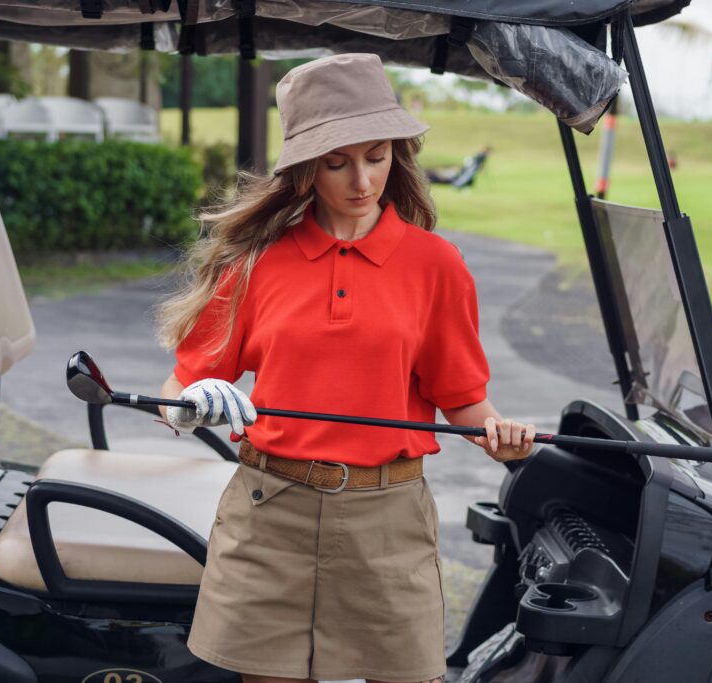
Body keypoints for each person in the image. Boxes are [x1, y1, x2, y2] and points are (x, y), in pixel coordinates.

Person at [155, 53, 536, 683]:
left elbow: (464, 403)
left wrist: (500, 436)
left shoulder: (437, 267)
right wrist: (194, 403)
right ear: (306, 168)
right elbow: (178, 391)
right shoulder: (256, 264)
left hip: (387, 520)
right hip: (269, 513)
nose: (362, 180)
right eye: (338, 162)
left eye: (377, 156)